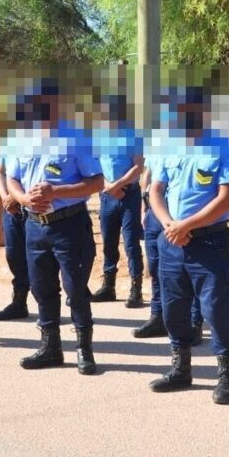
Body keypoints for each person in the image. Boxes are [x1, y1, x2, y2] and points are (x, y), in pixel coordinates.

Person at [149, 86, 229, 405]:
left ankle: (226, 375)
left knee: (215, 309)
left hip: (209, 242)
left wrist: (187, 225)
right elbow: (156, 191)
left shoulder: (222, 146)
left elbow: (226, 197)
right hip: (172, 241)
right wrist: (168, 224)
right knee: (173, 308)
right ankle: (181, 368)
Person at [6, 78, 104, 375]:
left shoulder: (76, 137)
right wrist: (23, 199)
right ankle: (50, 347)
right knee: (41, 288)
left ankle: (84, 350)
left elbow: (96, 182)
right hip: (34, 227)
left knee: (75, 289)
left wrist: (56, 192)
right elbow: (12, 178)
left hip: (69, 225)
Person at [132, 157, 204, 345]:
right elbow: (147, 174)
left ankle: (195, 322)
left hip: (178, 209)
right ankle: (158, 316)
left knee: (190, 270)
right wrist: (143, 208)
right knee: (157, 268)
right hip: (154, 210)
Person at [90, 94, 146, 308]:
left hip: (128, 194)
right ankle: (109, 286)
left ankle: (136, 289)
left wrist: (118, 185)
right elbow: (94, 167)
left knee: (131, 243)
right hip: (107, 195)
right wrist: (108, 187)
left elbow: (138, 166)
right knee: (108, 242)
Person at [0, 156, 30, 320]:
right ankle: (19, 303)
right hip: (12, 211)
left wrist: (16, 197)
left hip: (35, 209)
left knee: (43, 261)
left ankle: (49, 309)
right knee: (14, 257)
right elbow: (0, 172)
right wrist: (6, 198)